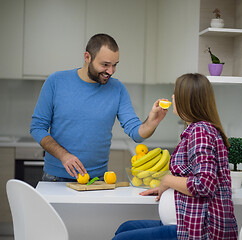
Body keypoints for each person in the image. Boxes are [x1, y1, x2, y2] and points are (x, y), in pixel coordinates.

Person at [113, 73, 238, 240]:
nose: (172, 96)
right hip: (185, 221)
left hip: (198, 231)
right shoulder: (197, 130)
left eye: (176, 93)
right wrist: (171, 187)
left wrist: (167, 180)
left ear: (187, 100)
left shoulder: (200, 132)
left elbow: (205, 184)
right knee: (125, 228)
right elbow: (193, 176)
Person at [30, 33, 167, 181]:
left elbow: (136, 133)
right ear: (87, 57)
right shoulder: (56, 82)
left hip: (97, 180)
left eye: (115, 65)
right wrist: (64, 156)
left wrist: (152, 121)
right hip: (55, 178)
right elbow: (37, 127)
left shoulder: (117, 89)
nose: (111, 71)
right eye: (105, 65)